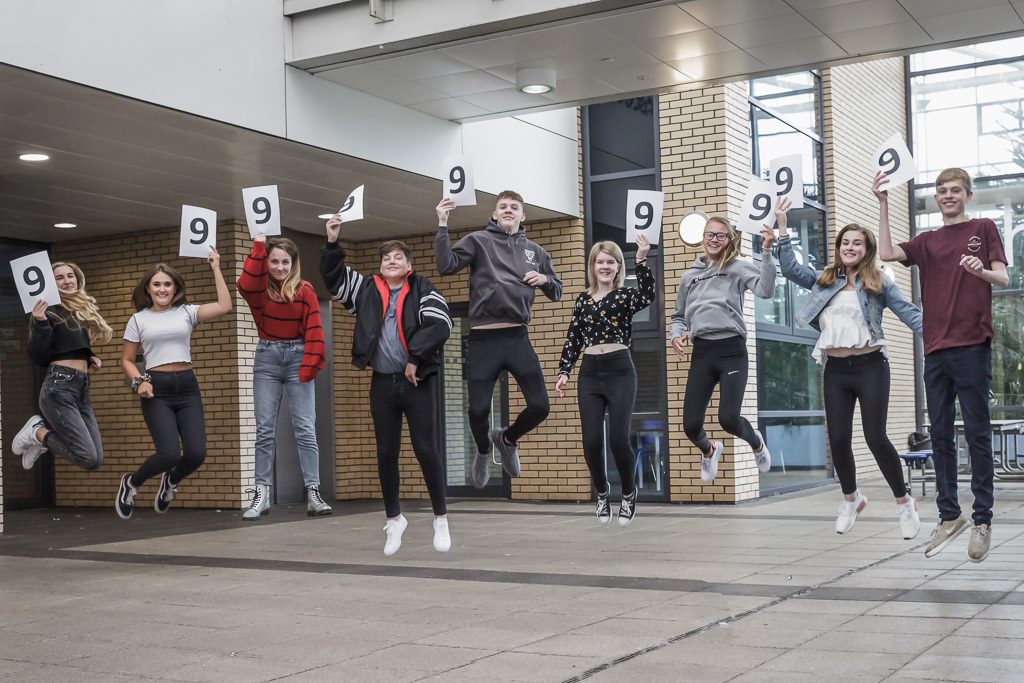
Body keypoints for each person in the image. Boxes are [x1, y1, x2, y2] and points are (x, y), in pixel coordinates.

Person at [876, 168, 1008, 562]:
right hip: (935, 348)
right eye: (941, 191)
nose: (947, 195)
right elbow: (885, 254)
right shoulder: (927, 241)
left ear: (967, 195)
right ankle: (950, 516)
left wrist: (979, 271)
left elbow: (1002, 278)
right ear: (936, 198)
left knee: (978, 433)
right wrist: (883, 201)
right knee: (939, 434)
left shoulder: (983, 228)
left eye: (954, 190)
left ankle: (982, 519)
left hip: (972, 345)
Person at [775, 196, 922, 538]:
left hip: (871, 366)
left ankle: (904, 503)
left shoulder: (879, 282)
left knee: (875, 437)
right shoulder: (826, 279)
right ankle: (851, 500)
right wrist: (783, 228)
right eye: (845, 242)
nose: (850, 247)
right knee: (838, 439)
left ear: (867, 249)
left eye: (857, 243)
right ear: (839, 247)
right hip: (836, 370)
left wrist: (943, 334)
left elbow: (909, 313)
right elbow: (791, 270)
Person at [322, 215, 453, 556]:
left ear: (408, 265)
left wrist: (415, 357)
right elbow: (334, 280)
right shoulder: (367, 290)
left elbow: (441, 324)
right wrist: (333, 242)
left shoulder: (422, 288)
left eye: (398, 258)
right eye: (386, 258)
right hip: (382, 383)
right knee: (385, 453)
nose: (391, 261)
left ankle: (440, 518)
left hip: (417, 382)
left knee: (426, 450)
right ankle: (394, 519)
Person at [435, 192, 562, 487]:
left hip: (517, 337)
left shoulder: (535, 251)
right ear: (494, 214)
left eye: (514, 207)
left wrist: (544, 280)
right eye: (503, 207)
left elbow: (557, 290)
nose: (508, 210)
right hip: (483, 339)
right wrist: (442, 224)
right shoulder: (478, 241)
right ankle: (482, 450)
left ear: (522, 216)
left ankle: (506, 438)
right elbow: (446, 265)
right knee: (477, 410)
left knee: (541, 406)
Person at [115, 249, 232, 519]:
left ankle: (170, 481)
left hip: (187, 387)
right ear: (148, 287)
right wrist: (139, 381)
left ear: (175, 287)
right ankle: (131, 483)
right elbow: (127, 360)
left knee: (196, 454)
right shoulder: (138, 319)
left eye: (168, 284)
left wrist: (215, 267)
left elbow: (225, 306)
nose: (162, 288)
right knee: (168, 455)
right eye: (157, 284)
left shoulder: (187, 312)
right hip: (156, 388)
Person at [555, 235, 654, 525]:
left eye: (611, 261)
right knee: (591, 442)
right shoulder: (582, 299)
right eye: (601, 261)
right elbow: (573, 337)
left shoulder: (625, 296)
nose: (605, 266)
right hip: (590, 372)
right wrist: (564, 371)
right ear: (593, 265)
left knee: (618, 440)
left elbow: (647, 295)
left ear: (618, 266)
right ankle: (601, 492)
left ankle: (627, 493)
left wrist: (642, 259)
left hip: (620, 370)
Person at [669, 216, 774, 482]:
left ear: (730, 240)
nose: (714, 239)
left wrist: (767, 252)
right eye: (709, 234)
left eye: (720, 235)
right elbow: (679, 316)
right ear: (702, 238)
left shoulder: (737, 268)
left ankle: (757, 443)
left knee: (728, 418)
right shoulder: (688, 277)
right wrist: (676, 335)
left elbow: (765, 290)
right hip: (702, 352)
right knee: (691, 426)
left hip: (731, 350)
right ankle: (710, 449)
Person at [237, 233, 331, 520]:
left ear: (294, 263)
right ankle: (261, 493)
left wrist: (310, 363)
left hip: (298, 357)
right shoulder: (259, 291)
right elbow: (244, 284)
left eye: (285, 262)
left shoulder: (304, 290)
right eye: (274, 261)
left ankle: (313, 493)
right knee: (265, 429)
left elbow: (315, 328)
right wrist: (257, 247)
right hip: (266, 358)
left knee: (305, 428)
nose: (279, 267)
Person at [12, 262, 113, 472]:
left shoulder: (75, 310)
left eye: (70, 276)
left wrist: (88, 356)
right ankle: (37, 432)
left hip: (80, 387)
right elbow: (38, 355)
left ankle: (41, 438)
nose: (67, 281)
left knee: (96, 458)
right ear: (50, 282)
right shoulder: (46, 310)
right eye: (60, 277)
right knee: (88, 458)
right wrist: (40, 322)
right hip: (60, 386)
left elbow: (68, 344)